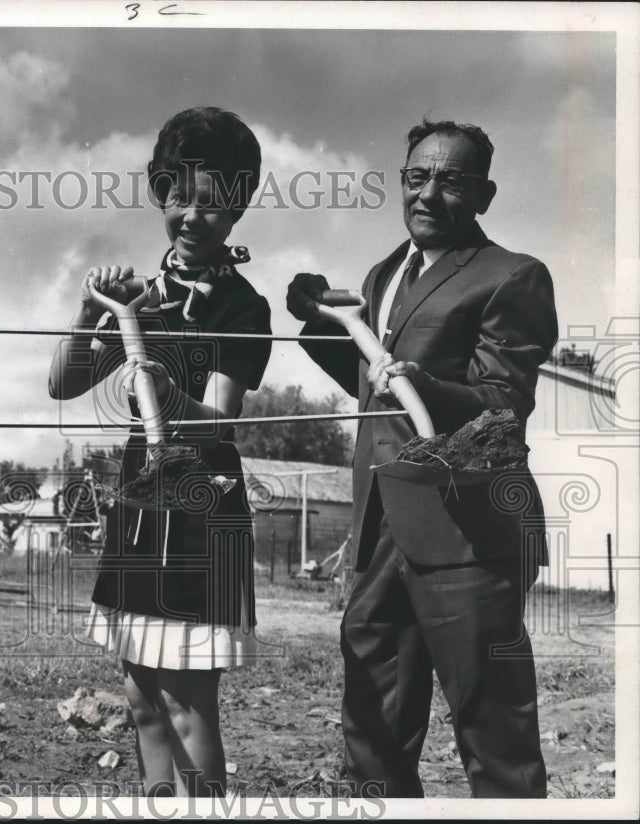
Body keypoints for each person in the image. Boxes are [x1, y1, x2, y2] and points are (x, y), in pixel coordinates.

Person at [286, 119, 557, 798]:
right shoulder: (384, 273)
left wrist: (421, 380)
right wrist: (316, 320)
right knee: (371, 735)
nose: (429, 193)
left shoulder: (513, 277)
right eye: (417, 176)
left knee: (494, 738)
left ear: (484, 196)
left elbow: (501, 402)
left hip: (469, 537)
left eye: (450, 180)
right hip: (381, 536)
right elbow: (367, 378)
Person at [48, 107, 271, 797]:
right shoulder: (138, 299)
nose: (192, 216)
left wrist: (165, 396)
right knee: (142, 696)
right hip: (142, 503)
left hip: (204, 509)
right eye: (179, 197)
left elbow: (219, 424)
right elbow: (62, 383)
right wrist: (92, 317)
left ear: (236, 212)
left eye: (212, 203)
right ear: (160, 196)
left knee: (186, 700)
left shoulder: (244, 308)